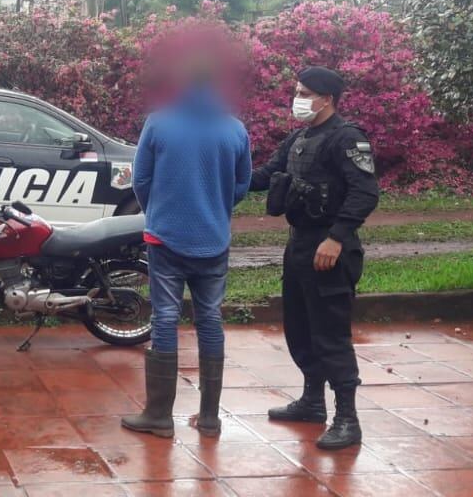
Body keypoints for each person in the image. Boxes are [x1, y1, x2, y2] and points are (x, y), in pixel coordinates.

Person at [249, 66, 379, 450]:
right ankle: (312, 401)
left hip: (330, 250)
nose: (298, 98)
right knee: (301, 328)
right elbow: (266, 175)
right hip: (300, 245)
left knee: (331, 335)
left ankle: (347, 419)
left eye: (305, 92)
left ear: (327, 99)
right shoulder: (300, 138)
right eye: (298, 91)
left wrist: (336, 238)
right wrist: (220, 172)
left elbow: (365, 192)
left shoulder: (346, 138)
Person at [121, 73, 251, 438]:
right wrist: (215, 209)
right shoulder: (236, 130)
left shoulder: (159, 123)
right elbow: (242, 185)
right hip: (214, 239)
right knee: (210, 318)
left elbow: (141, 181)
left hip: (165, 238)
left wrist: (158, 212)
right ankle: (209, 418)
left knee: (165, 316)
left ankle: (159, 417)